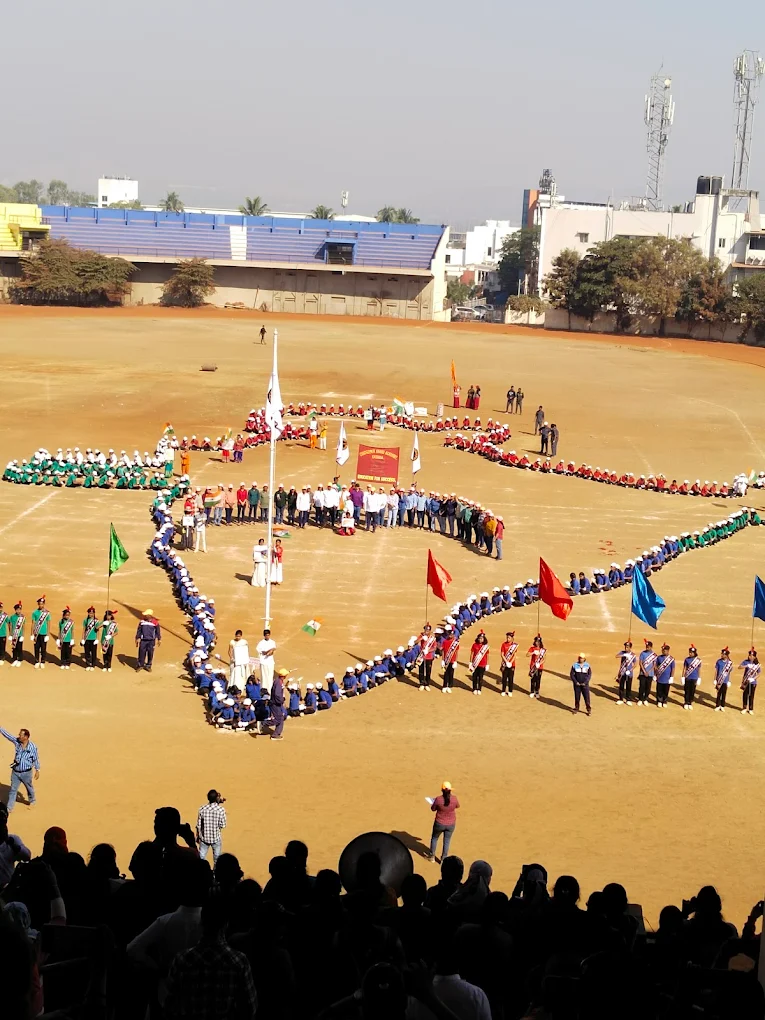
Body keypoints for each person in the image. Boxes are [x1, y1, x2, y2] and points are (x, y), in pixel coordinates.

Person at [163, 898, 258, 1019]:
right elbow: (249, 1009)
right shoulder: (239, 961)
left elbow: (170, 1006)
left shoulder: (182, 959)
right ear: (226, 924)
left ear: (201, 922)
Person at [0, 723, 40, 811]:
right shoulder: (17, 742)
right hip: (16, 771)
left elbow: (36, 759)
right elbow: (8, 735)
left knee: (29, 788)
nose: (18, 736)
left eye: (20, 735)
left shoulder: (33, 747)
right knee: (13, 790)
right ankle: (9, 808)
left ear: (26, 737)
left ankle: (32, 800)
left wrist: (37, 770)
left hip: (26, 773)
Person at [429, 781, 459, 862]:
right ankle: (443, 859)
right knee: (447, 841)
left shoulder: (438, 799)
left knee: (434, 838)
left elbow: (433, 809)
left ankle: (432, 857)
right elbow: (457, 806)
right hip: (451, 824)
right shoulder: (454, 799)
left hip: (439, 823)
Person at [196, 789, 227, 863]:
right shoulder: (221, 810)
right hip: (215, 838)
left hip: (204, 838)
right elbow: (223, 825)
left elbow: (199, 825)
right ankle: (215, 874)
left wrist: (198, 836)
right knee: (217, 859)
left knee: (201, 858)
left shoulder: (202, 809)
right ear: (217, 798)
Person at [31, 595, 50, 670]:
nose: (40, 605)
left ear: (44, 604)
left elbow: (48, 623)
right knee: (36, 648)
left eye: (42, 604)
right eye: (39, 604)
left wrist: (47, 634)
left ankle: (42, 661)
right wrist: (32, 634)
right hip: (36, 633)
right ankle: (36, 661)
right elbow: (33, 623)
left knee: (43, 648)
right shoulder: (35, 612)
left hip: (44, 633)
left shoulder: (47, 613)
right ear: (38, 604)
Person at [615, 640, 636, 705]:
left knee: (628, 686)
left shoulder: (633, 655)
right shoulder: (622, 652)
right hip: (622, 672)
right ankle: (621, 699)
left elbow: (635, 664)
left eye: (627, 647)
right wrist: (624, 655)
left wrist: (630, 670)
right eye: (625, 647)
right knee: (621, 686)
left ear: (630, 647)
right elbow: (616, 656)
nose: (626, 648)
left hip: (629, 673)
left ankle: (628, 699)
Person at [740, 648, 760, 714]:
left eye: (751, 656)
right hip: (746, 681)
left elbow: (759, 673)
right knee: (745, 694)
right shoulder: (746, 661)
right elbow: (739, 667)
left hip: (753, 682)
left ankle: (750, 709)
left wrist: (754, 678)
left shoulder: (757, 664)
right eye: (749, 655)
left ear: (754, 657)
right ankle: (744, 708)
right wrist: (746, 665)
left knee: (751, 695)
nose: (750, 657)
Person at [418, 624, 437, 691]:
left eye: (428, 630)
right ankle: (421, 683)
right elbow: (415, 642)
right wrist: (422, 638)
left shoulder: (432, 638)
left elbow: (434, 648)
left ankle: (427, 684)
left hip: (429, 656)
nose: (426, 631)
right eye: (425, 630)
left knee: (428, 671)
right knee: (421, 670)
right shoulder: (422, 636)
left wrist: (428, 650)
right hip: (422, 656)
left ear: (430, 631)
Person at [637, 639, 657, 706]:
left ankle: (645, 699)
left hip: (650, 674)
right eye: (646, 646)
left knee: (648, 687)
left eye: (648, 647)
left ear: (651, 647)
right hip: (642, 673)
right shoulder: (642, 653)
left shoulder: (654, 655)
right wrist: (644, 671)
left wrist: (648, 672)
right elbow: (640, 663)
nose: (647, 648)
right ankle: (640, 699)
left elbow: (654, 665)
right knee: (642, 686)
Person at [682, 644, 702, 710]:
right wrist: (683, 676)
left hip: (694, 678)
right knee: (687, 690)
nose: (690, 654)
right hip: (687, 677)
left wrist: (699, 678)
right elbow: (684, 668)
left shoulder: (698, 660)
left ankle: (690, 702)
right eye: (690, 652)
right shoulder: (687, 659)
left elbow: (699, 669)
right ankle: (686, 702)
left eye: (692, 653)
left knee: (692, 691)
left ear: (695, 653)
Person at [256, 628, 276, 693]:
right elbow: (262, 652)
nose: (267, 636)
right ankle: (263, 690)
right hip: (263, 662)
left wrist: (270, 652)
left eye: (268, 635)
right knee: (264, 677)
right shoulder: (261, 643)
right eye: (266, 635)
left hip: (270, 662)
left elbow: (273, 650)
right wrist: (268, 651)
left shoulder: (272, 642)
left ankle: (270, 690)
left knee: (270, 677)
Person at [655, 643, 675, 707]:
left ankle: (664, 701)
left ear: (668, 651)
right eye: (663, 650)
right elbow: (655, 666)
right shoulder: (659, 658)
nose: (664, 651)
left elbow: (673, 668)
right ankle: (659, 700)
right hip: (660, 677)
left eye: (665, 650)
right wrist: (655, 674)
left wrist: (671, 677)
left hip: (667, 678)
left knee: (666, 690)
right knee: (659, 690)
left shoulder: (671, 659)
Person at [714, 646, 733, 711]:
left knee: (724, 693)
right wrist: (715, 679)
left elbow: (729, 672)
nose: (722, 655)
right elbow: (716, 671)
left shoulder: (729, 663)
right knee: (718, 693)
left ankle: (722, 705)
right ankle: (717, 705)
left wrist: (729, 681)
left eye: (723, 654)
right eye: (722, 654)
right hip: (719, 680)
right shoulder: (718, 661)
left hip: (725, 680)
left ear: (727, 655)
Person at [270, 668, 287, 740]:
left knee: (280, 718)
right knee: (279, 719)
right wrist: (281, 700)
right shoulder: (278, 682)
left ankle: (277, 733)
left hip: (276, 703)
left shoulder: (278, 681)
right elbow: (277, 694)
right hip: (276, 704)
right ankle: (264, 723)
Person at [527, 633, 546, 698]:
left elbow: (544, 659)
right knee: (533, 679)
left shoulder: (542, 650)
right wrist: (533, 652)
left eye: (538, 641)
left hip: (539, 667)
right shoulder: (532, 648)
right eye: (536, 641)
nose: (537, 643)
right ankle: (532, 691)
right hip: (533, 666)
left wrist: (539, 664)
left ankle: (537, 692)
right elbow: (527, 655)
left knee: (538, 680)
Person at [82, 605, 100, 671]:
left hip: (93, 639)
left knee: (93, 653)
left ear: (94, 613)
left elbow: (97, 630)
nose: (90, 614)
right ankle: (88, 664)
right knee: (87, 653)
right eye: (89, 613)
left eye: (92, 613)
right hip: (87, 639)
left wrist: (97, 639)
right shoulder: (85, 620)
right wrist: (82, 639)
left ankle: (93, 664)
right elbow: (84, 630)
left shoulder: (96, 621)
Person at [500, 631, 517, 696]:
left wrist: (510, 662)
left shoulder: (514, 646)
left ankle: (510, 691)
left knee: (510, 678)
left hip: (512, 665)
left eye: (509, 638)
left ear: (512, 638)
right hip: (505, 664)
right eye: (507, 637)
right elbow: (502, 654)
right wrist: (506, 661)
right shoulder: (503, 644)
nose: (508, 639)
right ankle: (503, 690)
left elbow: (515, 655)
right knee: (504, 678)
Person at [10, 601, 24, 667]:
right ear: (15, 610)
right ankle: (15, 659)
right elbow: (11, 626)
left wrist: (22, 635)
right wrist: (10, 635)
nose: (19, 611)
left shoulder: (22, 617)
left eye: (20, 609)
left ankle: (19, 660)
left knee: (19, 648)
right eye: (17, 610)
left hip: (20, 635)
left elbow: (23, 627)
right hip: (14, 635)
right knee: (14, 648)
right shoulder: (12, 617)